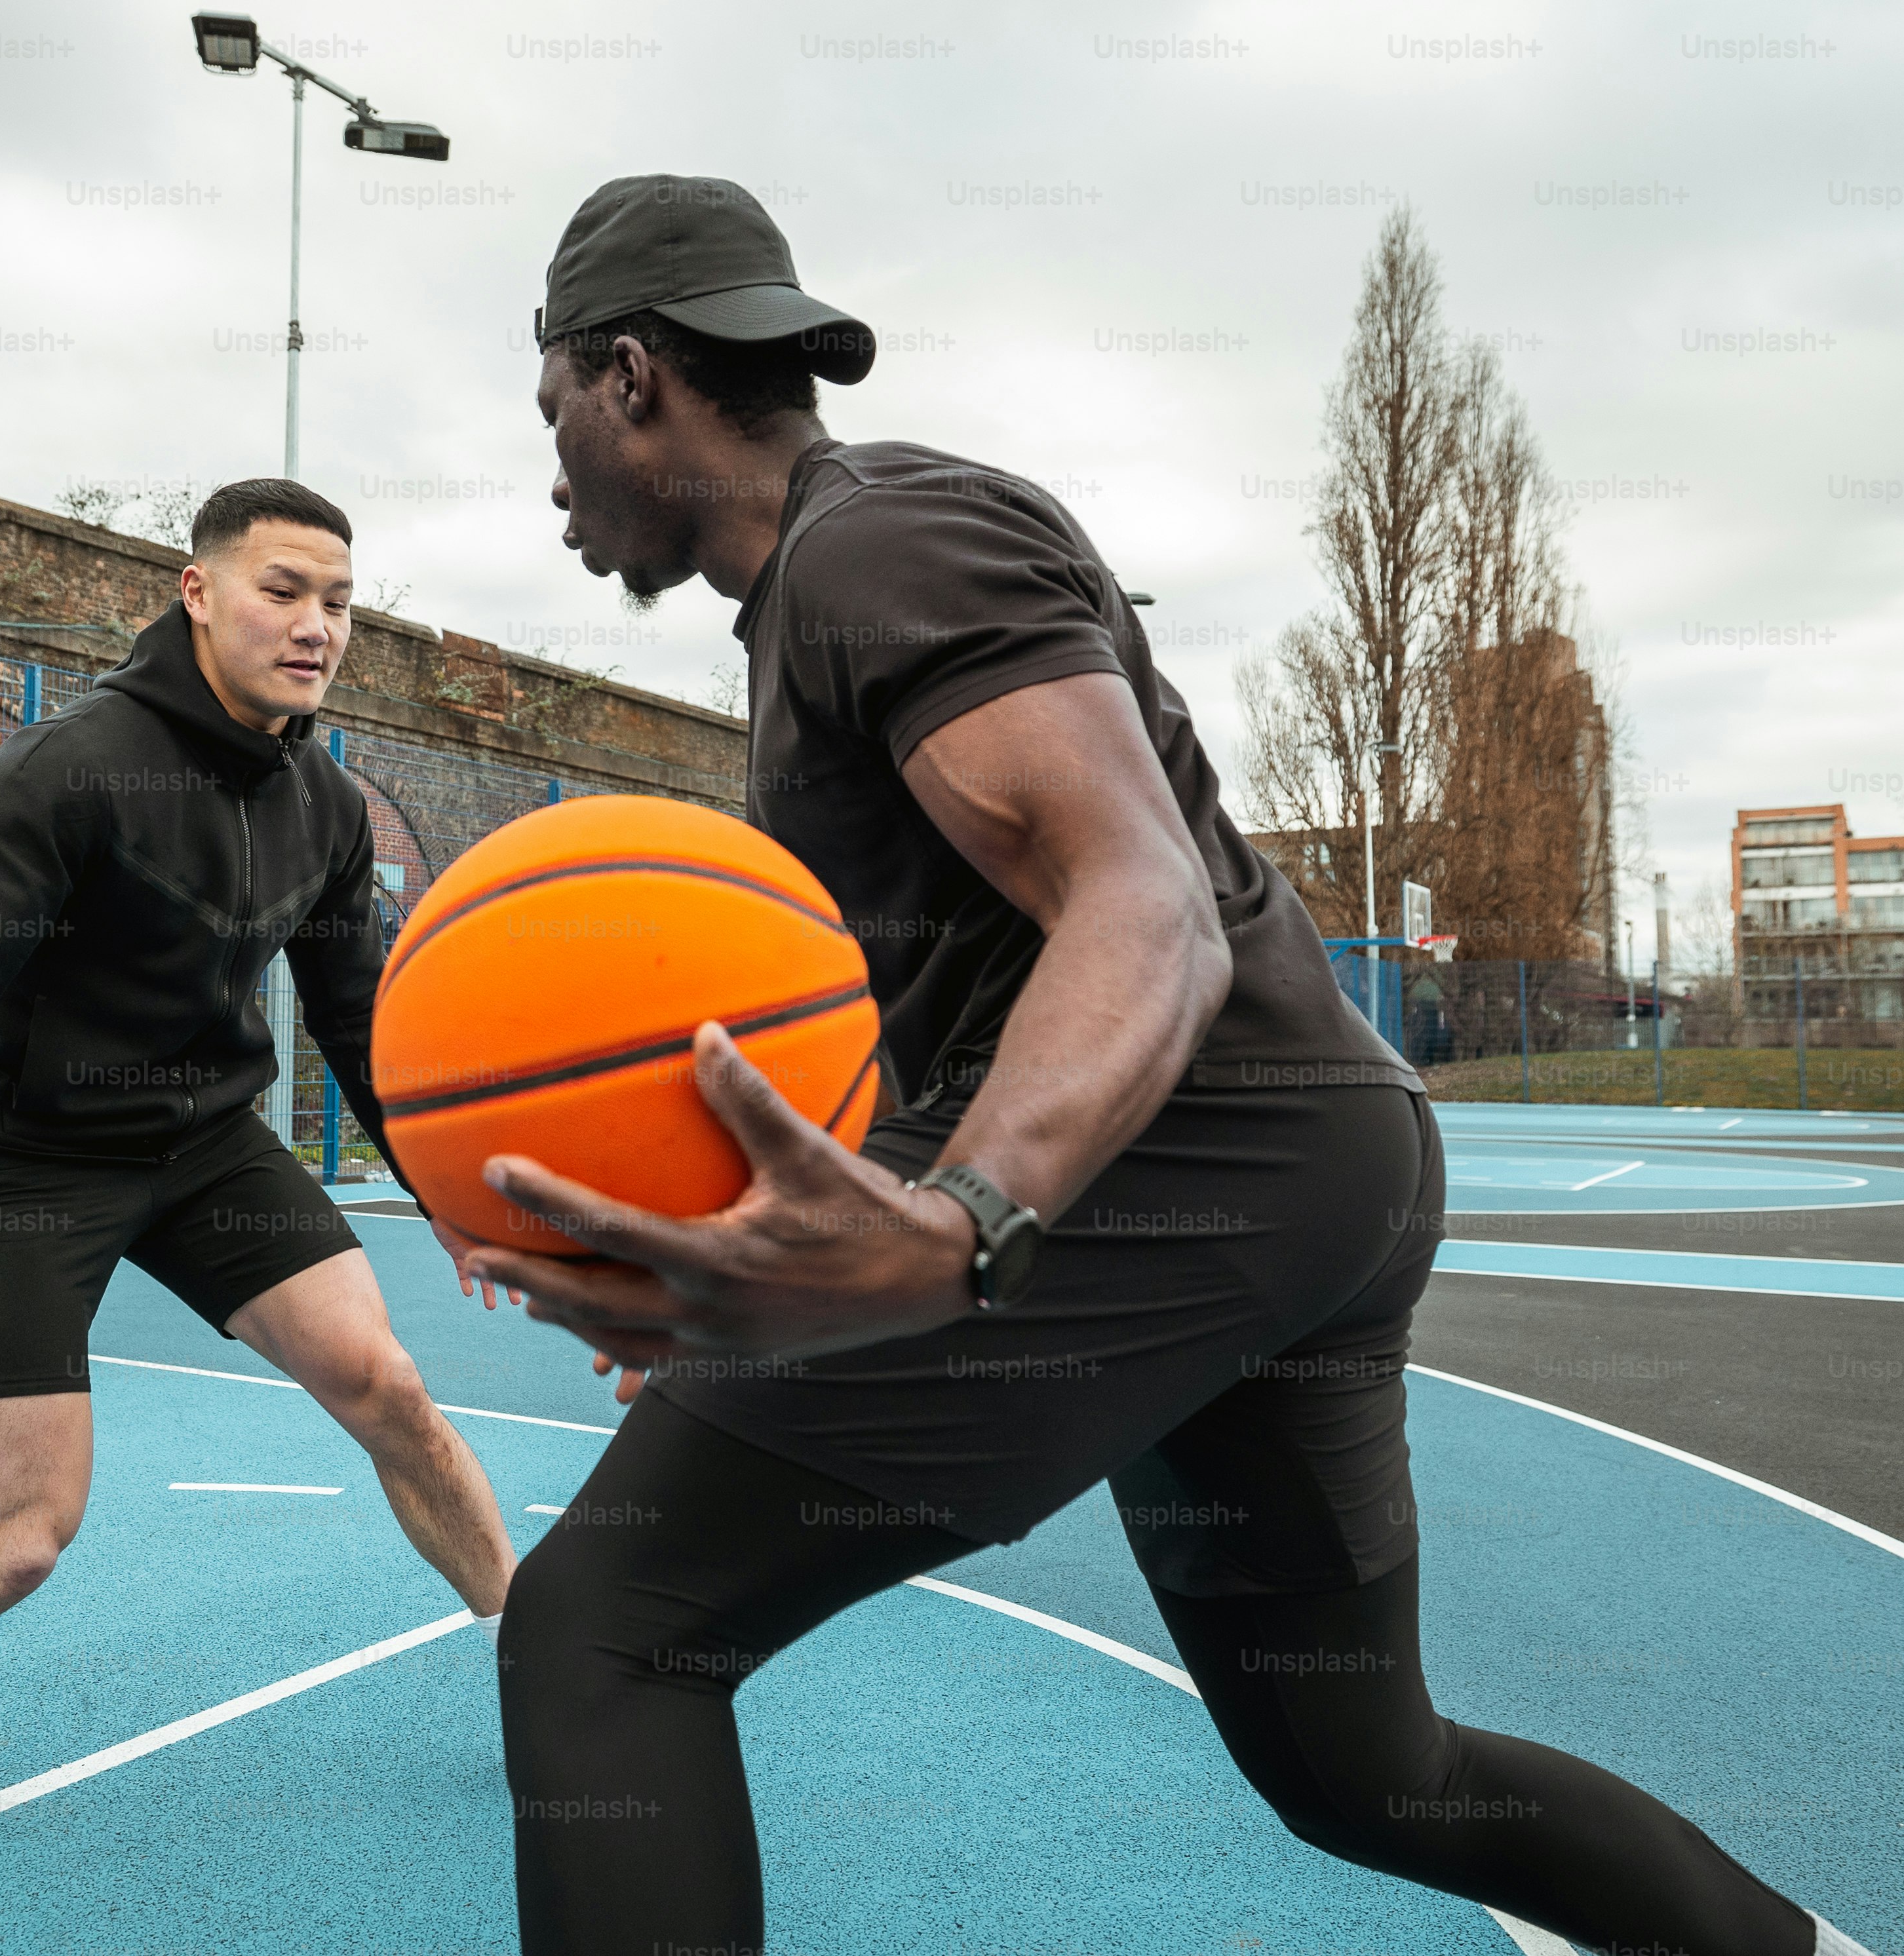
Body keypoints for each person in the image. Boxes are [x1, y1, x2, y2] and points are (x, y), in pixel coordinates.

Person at [462, 175, 1871, 1956]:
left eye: (553, 421)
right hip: (1300, 1169)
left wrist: (959, 1219)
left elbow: (1138, 897)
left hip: (1174, 1162)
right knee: (1362, 1766)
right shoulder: (839, 577)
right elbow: (965, 995)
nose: (555, 480)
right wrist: (772, 1252)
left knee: (603, 1625)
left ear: (630, 371)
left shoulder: (874, 545)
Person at [0, 478, 516, 1878]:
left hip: (207, 1145)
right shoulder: (70, 768)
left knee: (385, 1383)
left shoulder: (326, 805)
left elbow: (356, 1015)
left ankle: (542, 1653)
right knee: (17, 1540)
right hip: (38, 1155)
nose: (316, 623)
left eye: (339, 600)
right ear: (195, 590)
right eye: (283, 588)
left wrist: (445, 1180)